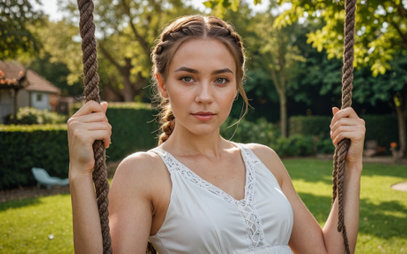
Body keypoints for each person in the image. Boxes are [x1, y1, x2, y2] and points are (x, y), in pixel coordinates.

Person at [67, 15, 365, 254]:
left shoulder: (265, 159)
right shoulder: (144, 171)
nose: (205, 96)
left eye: (221, 79)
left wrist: (353, 165)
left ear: (236, 86)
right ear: (162, 84)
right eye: (187, 78)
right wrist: (80, 174)